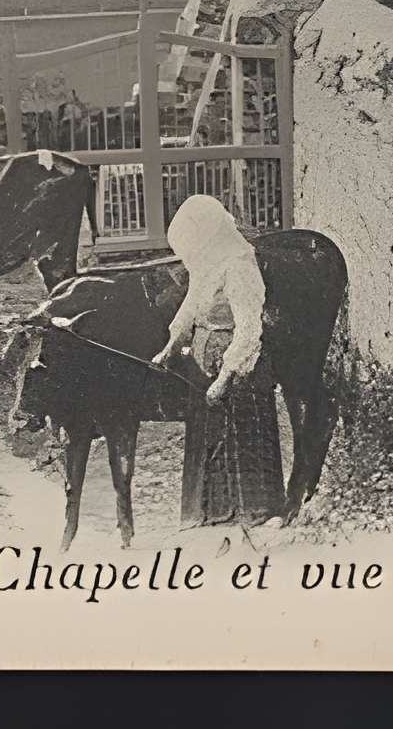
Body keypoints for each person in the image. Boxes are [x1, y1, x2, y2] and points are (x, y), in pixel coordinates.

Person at [152, 193, 285, 531]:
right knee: (208, 436)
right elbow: (190, 308)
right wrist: (171, 345)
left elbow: (250, 328)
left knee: (243, 437)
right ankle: (211, 512)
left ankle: (255, 512)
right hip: (203, 364)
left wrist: (226, 376)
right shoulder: (207, 267)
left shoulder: (240, 265)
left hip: (241, 371)